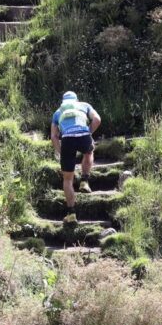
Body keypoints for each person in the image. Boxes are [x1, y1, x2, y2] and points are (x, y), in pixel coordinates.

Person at [51, 91, 102, 225]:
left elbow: (54, 136)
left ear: (63, 101)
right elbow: (97, 120)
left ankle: (71, 214)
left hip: (67, 139)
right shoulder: (84, 105)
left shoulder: (58, 112)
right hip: (83, 135)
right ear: (76, 99)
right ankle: (84, 181)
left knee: (68, 179)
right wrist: (88, 132)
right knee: (89, 152)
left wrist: (61, 152)